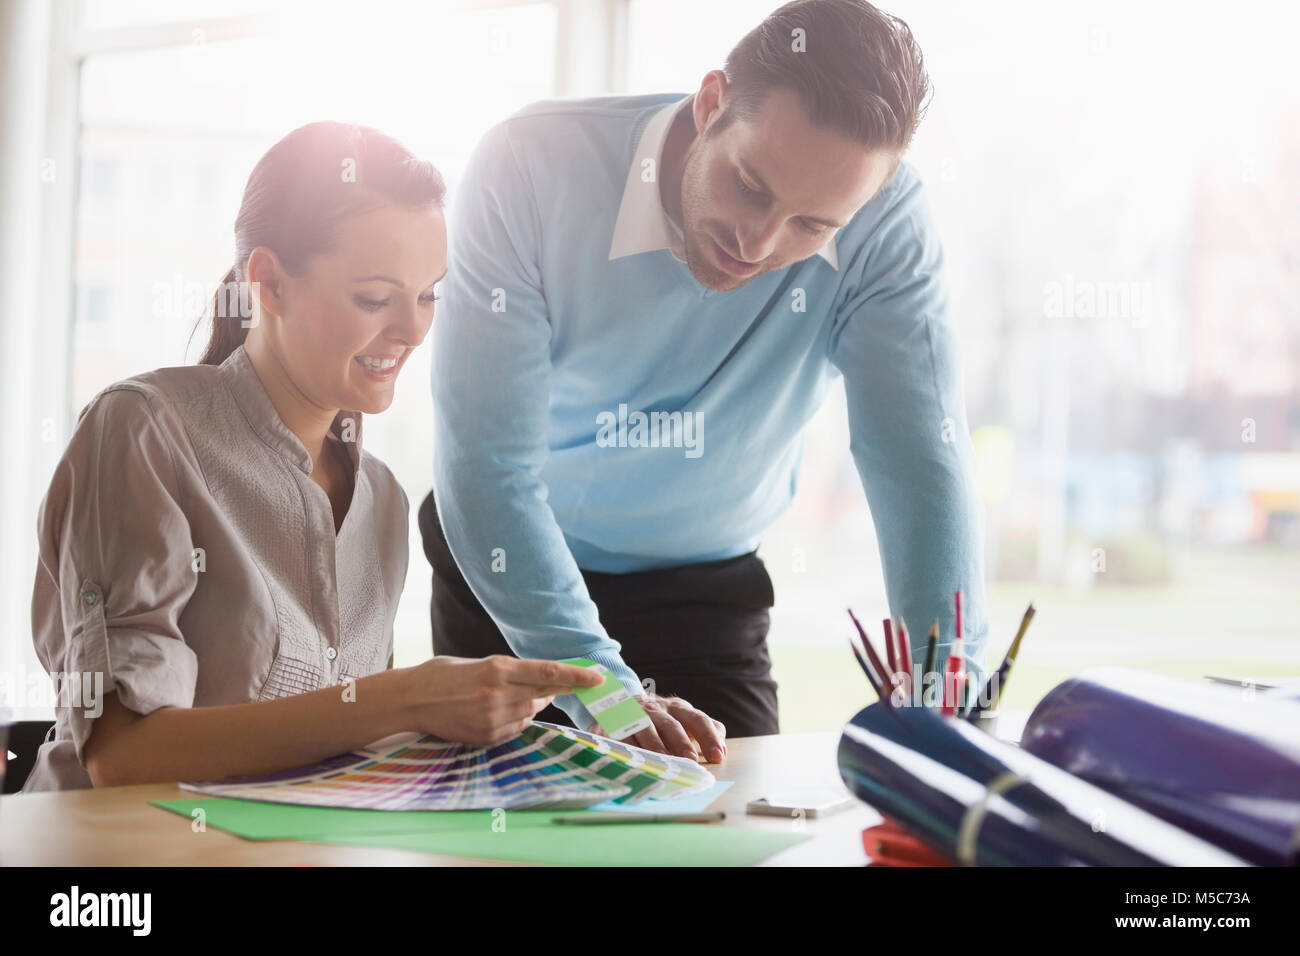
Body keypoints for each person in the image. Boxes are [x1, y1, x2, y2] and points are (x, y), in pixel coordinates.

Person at [420, 0, 988, 761]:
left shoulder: (887, 223)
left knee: (732, 826)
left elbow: (918, 463)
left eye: (812, 226)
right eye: (750, 185)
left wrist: (943, 696)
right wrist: (602, 691)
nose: (758, 244)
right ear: (712, 102)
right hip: (507, 574)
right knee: (504, 836)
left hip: (706, 591)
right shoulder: (525, 165)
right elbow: (484, 465)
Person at [23, 121, 601, 792]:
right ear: (267, 283)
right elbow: (122, 757)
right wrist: (406, 699)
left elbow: (345, 746)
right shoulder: (144, 431)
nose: (413, 331)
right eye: (375, 298)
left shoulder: (381, 499)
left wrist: (530, 735)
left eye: (428, 295)